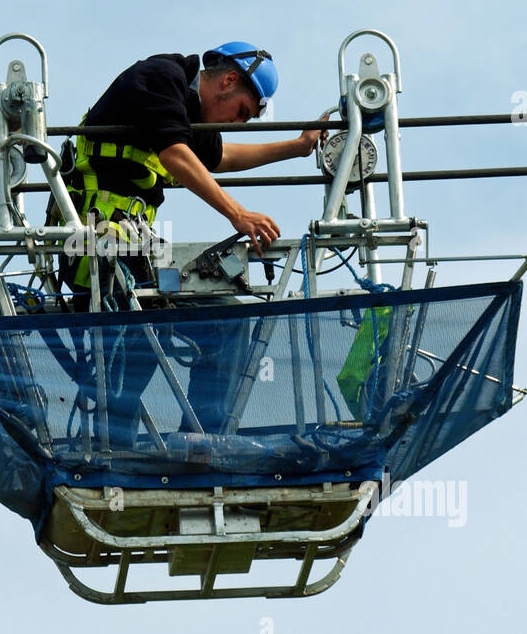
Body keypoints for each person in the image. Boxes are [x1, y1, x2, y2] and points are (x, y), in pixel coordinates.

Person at [52, 43, 326, 445]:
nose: (238, 123)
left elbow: (220, 157)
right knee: (146, 320)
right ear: (229, 81)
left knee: (227, 322)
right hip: (97, 248)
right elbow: (177, 155)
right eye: (242, 113)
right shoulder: (161, 78)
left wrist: (297, 148)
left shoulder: (185, 112)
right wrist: (238, 214)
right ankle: (117, 442)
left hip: (137, 252)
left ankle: (203, 441)